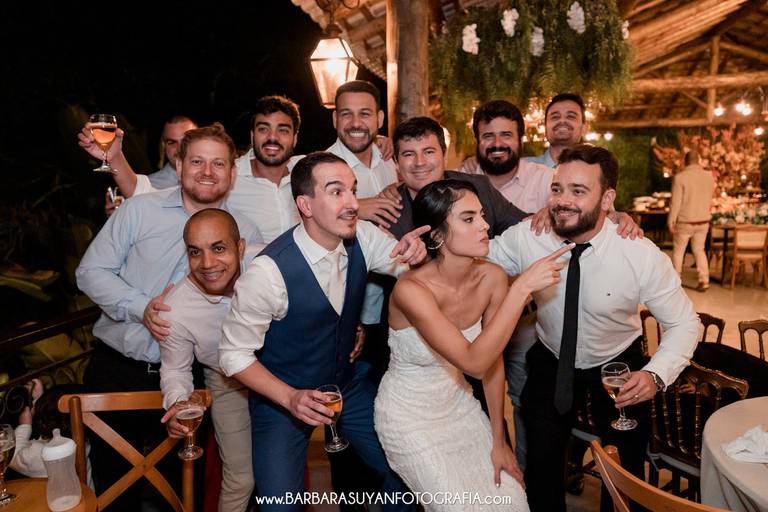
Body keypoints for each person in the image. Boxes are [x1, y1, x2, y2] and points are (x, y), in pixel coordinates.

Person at [487, 144, 699, 512]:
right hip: (551, 358)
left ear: (607, 199)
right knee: (541, 465)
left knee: (626, 469)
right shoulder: (530, 236)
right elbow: (476, 257)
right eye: (557, 189)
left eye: (578, 191)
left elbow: (684, 322)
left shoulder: (638, 252)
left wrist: (655, 375)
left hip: (618, 365)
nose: (562, 201)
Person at [218, 152, 428, 512]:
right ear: (306, 205)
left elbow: (408, 271)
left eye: (353, 190)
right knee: (279, 506)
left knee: (405, 468)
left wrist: (418, 255)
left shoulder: (364, 237)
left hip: (346, 384)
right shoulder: (268, 273)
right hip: (283, 398)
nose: (353, 204)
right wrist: (289, 398)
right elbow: (232, 355)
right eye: (336, 192)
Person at [76, 123, 263, 509]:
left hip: (192, 378)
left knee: (181, 491)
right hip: (120, 370)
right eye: (197, 162)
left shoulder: (245, 231)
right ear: (178, 165)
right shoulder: (139, 211)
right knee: (115, 490)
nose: (207, 172)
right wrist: (140, 307)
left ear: (232, 173)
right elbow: (90, 272)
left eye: (218, 164)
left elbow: (253, 302)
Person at [375, 179, 573, 511]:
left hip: (460, 407)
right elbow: (474, 362)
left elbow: (492, 361)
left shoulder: (492, 278)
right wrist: (521, 289)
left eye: (481, 215)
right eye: (468, 219)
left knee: (511, 501)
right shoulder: (411, 290)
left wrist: (499, 440)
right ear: (438, 235)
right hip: (409, 418)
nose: (484, 226)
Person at [159, 208, 261, 512]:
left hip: (281, 370)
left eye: (218, 248)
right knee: (241, 478)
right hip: (227, 382)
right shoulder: (175, 309)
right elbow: (175, 369)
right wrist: (177, 403)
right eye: (195, 252)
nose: (207, 263)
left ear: (240, 248)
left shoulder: (269, 264)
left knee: (283, 471)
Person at [77, 115, 197, 208]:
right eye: (172, 142)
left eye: (187, 140)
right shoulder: (150, 184)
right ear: (163, 146)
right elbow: (139, 193)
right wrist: (121, 216)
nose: (180, 148)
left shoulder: (207, 179)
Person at [11, 380, 94, 489]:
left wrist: (24, 426)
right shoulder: (82, 441)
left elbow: (13, 456)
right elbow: (58, 415)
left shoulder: (40, 453)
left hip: (54, 499)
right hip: (86, 496)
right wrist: (39, 398)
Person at [668, 148, 715, 291]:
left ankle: (676, 281)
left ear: (685, 161)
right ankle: (704, 280)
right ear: (698, 160)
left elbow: (676, 202)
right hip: (703, 220)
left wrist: (671, 220)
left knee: (679, 250)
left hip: (685, 220)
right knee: (699, 250)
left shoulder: (680, 177)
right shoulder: (709, 176)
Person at [525, 93, 587, 169]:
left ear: (584, 128)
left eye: (571, 116)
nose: (562, 121)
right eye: (555, 117)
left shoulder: (595, 171)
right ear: (545, 127)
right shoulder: (523, 169)